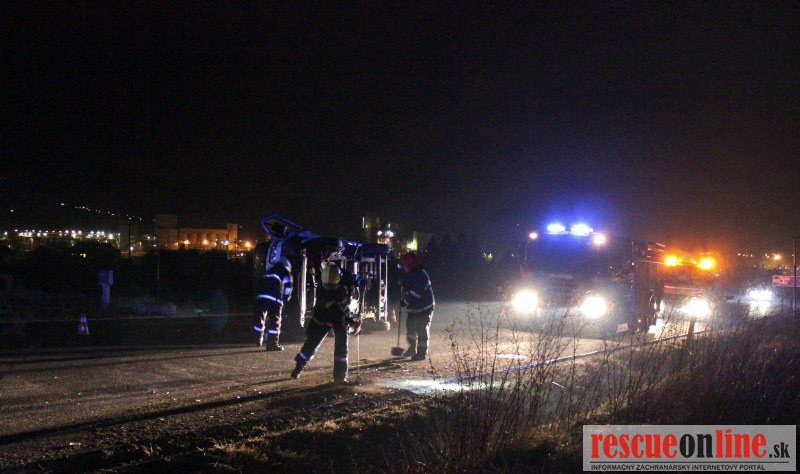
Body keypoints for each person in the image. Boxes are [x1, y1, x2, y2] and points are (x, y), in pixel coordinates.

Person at [290, 262, 362, 385]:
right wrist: (352, 322)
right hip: (324, 317)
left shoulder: (344, 276)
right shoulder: (323, 293)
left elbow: (354, 278)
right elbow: (336, 313)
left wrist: (362, 281)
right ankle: (299, 365)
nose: (329, 287)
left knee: (341, 348)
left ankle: (340, 377)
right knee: (311, 345)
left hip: (341, 316)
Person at [398, 252, 435, 361]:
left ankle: (421, 353)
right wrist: (403, 284)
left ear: (410, 264)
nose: (403, 267)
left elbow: (415, 294)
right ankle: (412, 348)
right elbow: (409, 291)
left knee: (422, 329)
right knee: (410, 327)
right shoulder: (410, 274)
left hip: (424, 307)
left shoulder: (421, 276)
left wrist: (405, 302)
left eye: (404, 264)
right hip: (414, 307)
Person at [252, 256, 293, 351]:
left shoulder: (269, 271)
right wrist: (286, 298)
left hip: (261, 298)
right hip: (274, 299)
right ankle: (272, 344)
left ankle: (257, 339)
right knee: (275, 321)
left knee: (259, 319)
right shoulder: (284, 271)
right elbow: (288, 286)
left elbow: (258, 283)